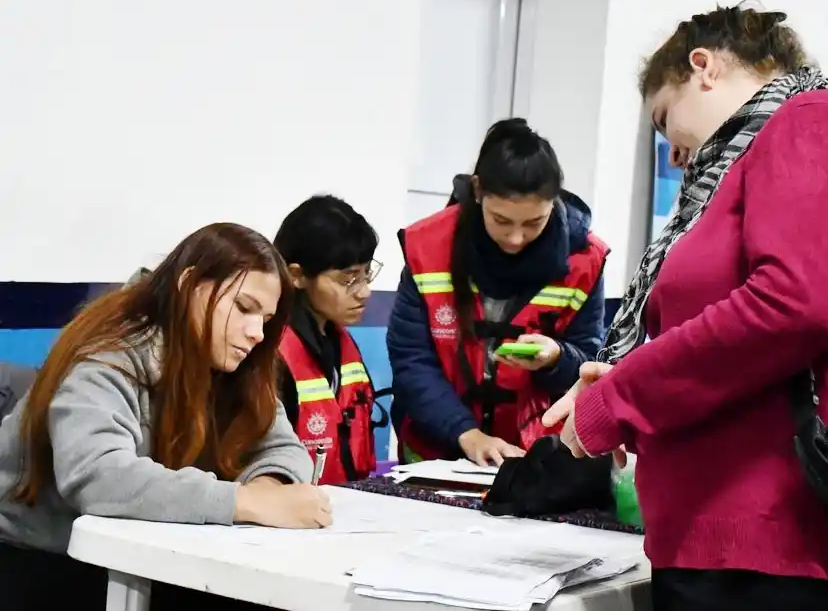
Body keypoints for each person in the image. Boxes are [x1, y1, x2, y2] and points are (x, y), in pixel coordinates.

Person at [543, 4, 828, 610]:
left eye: (666, 121)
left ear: (703, 67)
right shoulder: (758, 153)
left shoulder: (813, 120)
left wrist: (618, 401)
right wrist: (621, 380)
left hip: (782, 547)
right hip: (727, 543)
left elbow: (794, 304)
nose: (675, 155)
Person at [0, 223, 331, 611]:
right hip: (37, 555)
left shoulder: (238, 361)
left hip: (138, 551)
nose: (257, 332)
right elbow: (96, 475)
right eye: (244, 308)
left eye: (267, 318)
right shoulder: (109, 351)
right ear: (189, 284)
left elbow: (281, 446)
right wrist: (244, 502)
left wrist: (269, 486)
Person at [388, 118, 608, 466]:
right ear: (477, 191)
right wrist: (467, 434)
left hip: (533, 459)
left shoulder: (585, 260)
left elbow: (590, 366)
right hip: (435, 453)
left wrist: (556, 357)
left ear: (554, 203)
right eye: (502, 221)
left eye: (534, 223)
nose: (516, 238)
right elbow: (411, 359)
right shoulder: (428, 248)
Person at [273, 195, 388, 484]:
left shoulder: (338, 339)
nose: (364, 292)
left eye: (366, 273)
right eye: (348, 279)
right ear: (296, 275)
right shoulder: (270, 352)